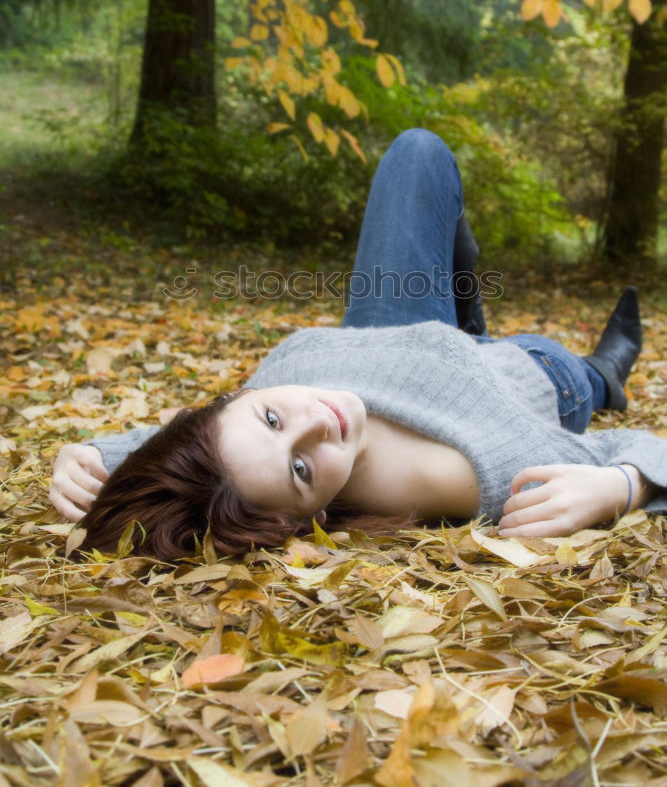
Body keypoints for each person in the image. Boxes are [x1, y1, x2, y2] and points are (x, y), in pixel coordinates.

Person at [49, 129, 667, 561]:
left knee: (417, 152)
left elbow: (186, 461)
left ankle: (464, 313)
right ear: (308, 516)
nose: (319, 422)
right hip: (533, 374)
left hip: (400, 336)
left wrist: (94, 456)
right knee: (587, 375)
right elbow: (632, 450)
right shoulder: (485, 473)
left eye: (271, 417)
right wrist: (620, 487)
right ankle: (605, 371)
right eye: (301, 468)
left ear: (230, 400)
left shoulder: (249, 431)